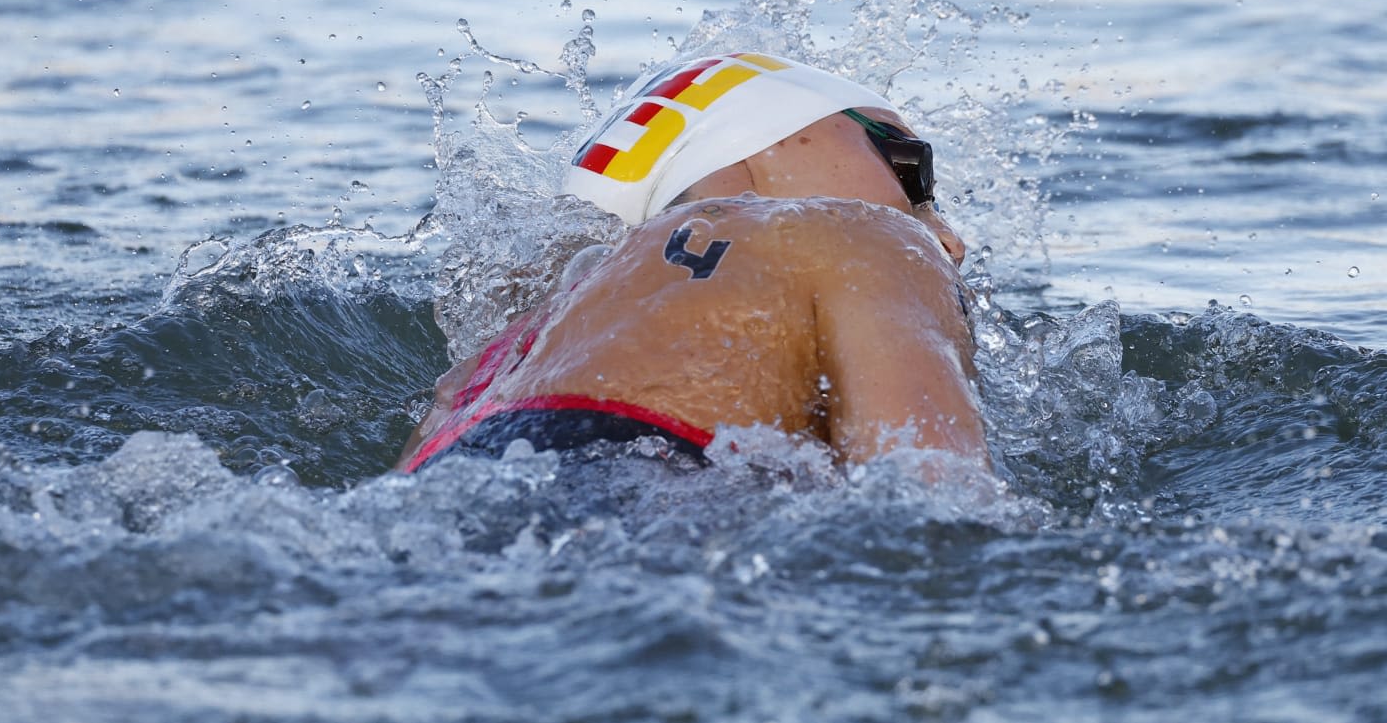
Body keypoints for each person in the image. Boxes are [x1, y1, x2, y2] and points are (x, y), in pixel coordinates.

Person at [397, 52, 988, 476]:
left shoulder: (503, 352)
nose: (947, 237)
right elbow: (939, 511)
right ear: (761, 152)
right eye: (910, 166)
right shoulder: (861, 237)